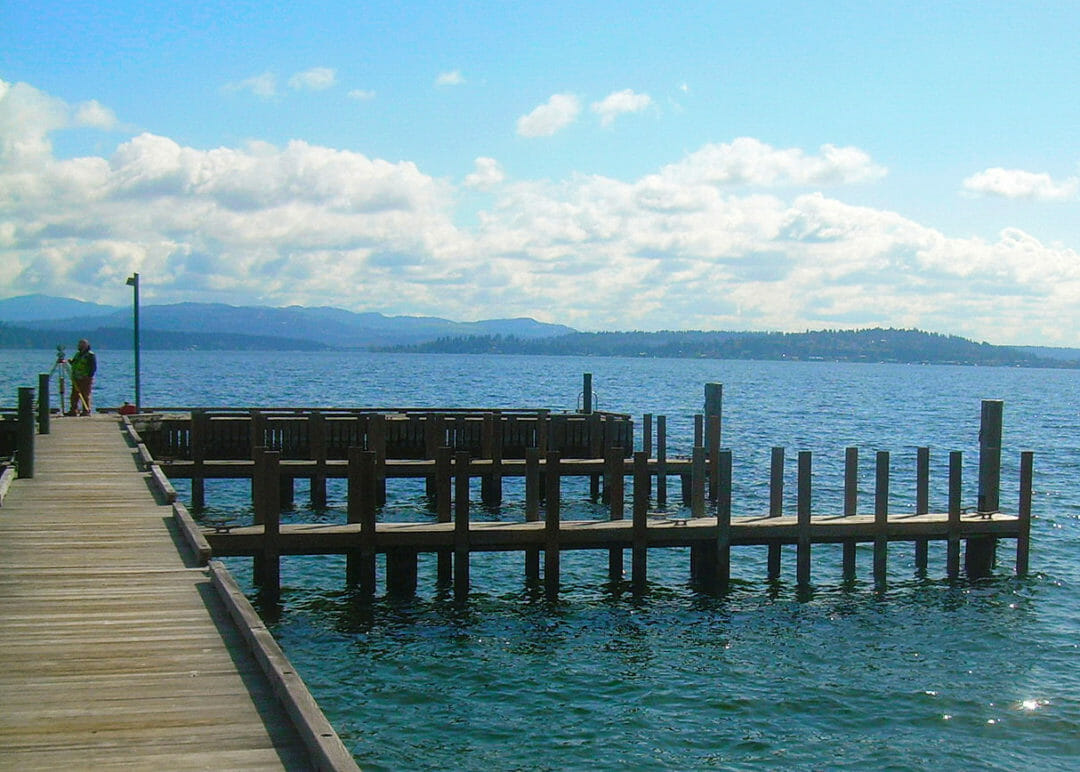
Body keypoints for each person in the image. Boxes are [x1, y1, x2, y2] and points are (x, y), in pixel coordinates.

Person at [68, 339, 97, 416]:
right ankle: (73, 410)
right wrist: (70, 362)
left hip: (85, 378)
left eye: (82, 344)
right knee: (74, 395)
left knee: (85, 395)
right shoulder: (77, 354)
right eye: (79, 344)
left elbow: (93, 367)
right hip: (76, 378)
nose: (80, 346)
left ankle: (86, 410)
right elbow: (75, 363)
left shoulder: (90, 355)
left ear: (87, 345)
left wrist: (89, 376)